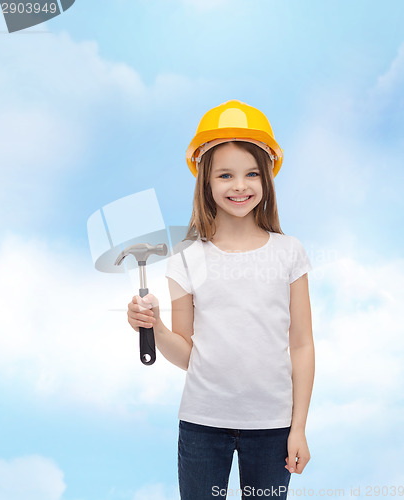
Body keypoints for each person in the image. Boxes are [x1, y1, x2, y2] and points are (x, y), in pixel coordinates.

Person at [127, 99, 315, 499]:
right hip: (201, 425)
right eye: (225, 175)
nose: (240, 185)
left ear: (266, 179)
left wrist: (298, 427)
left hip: (273, 426)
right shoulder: (186, 258)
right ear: (206, 183)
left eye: (251, 174)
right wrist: (154, 326)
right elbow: (187, 354)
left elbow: (301, 344)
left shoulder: (289, 252)